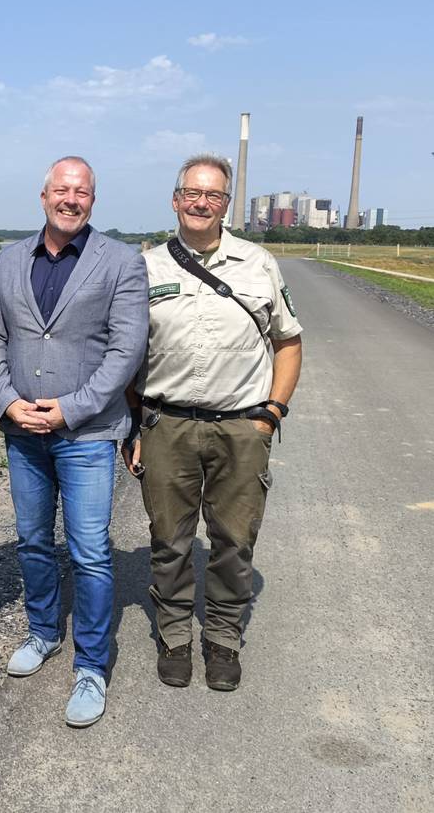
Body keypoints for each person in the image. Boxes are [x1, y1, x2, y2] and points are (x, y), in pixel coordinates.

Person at [0, 156, 149, 727]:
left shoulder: (122, 261)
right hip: (23, 430)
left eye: (82, 192)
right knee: (31, 539)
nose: (70, 199)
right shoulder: (7, 259)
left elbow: (126, 351)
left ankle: (92, 667)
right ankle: (44, 631)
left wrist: (68, 411)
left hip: (87, 434)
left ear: (93, 201)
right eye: (61, 189)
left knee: (91, 552)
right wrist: (6, 401)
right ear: (44, 194)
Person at [124, 153, 303, 691]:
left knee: (234, 539)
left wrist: (271, 414)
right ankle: (175, 633)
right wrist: (135, 426)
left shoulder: (258, 263)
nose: (203, 202)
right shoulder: (147, 267)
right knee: (169, 539)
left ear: (226, 204)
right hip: (167, 426)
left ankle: (223, 637)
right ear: (176, 199)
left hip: (241, 428)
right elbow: (127, 354)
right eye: (193, 193)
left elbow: (288, 342)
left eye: (215, 195)